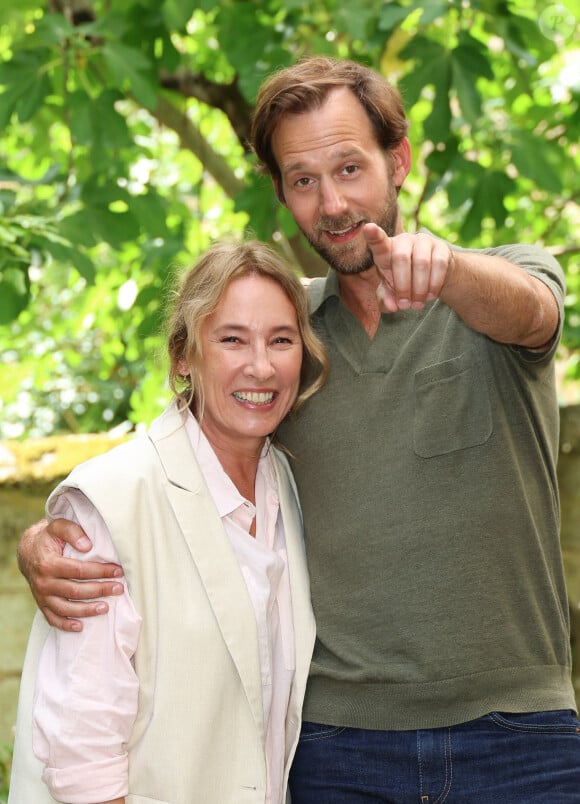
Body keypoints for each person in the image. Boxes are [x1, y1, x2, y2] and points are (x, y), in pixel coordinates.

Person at [16, 57, 580, 802]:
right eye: (304, 180)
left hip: (520, 736)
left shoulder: (495, 282)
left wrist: (446, 271)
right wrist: (58, 532)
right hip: (340, 746)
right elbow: (178, 455)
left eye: (350, 166)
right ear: (282, 193)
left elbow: (534, 313)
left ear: (399, 161)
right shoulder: (285, 340)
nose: (334, 202)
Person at [9, 239, 328, 804]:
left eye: (281, 340)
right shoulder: (111, 502)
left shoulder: (293, 489)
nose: (262, 365)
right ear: (184, 355)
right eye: (232, 339)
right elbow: (82, 759)